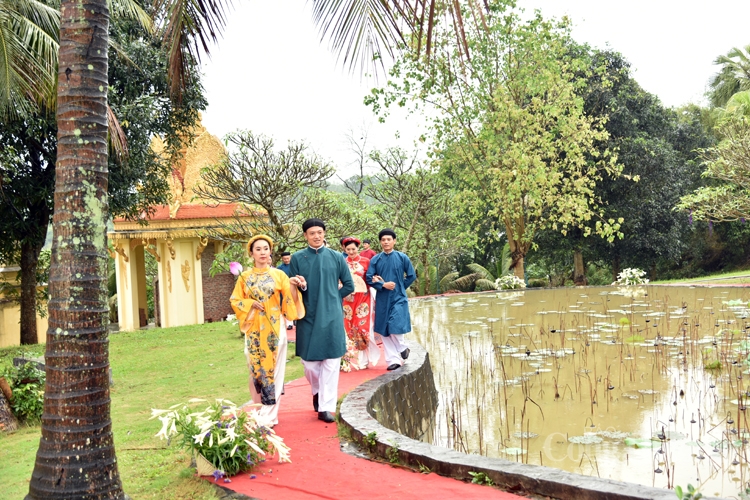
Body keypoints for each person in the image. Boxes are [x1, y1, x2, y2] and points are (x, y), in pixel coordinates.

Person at [230, 235, 305, 426]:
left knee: (274, 369)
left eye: (266, 248)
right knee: (254, 367)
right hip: (254, 329)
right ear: (251, 253)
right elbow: (235, 300)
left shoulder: (279, 275)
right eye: (258, 249)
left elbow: (289, 299)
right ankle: (259, 408)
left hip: (275, 327)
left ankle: (270, 414)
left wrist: (295, 286)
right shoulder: (245, 277)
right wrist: (250, 304)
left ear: (270, 251)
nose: (263, 252)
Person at [291, 218, 355, 423]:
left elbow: (349, 284)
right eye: (312, 233)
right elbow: (292, 287)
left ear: (324, 233)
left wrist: (334, 298)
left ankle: (325, 407)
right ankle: (317, 390)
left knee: (331, 361)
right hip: (308, 315)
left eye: (319, 232)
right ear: (305, 236)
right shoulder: (297, 258)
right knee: (309, 364)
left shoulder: (336, 257)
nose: (316, 236)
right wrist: (301, 286)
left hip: (332, 315)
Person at [366, 228, 416, 371]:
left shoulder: (402, 257)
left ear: (394, 241)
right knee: (384, 329)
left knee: (395, 324)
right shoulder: (376, 259)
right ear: (380, 242)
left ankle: (402, 347)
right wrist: (383, 285)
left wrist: (400, 286)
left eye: (389, 239)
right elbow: (369, 278)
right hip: (382, 298)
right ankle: (393, 360)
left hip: (399, 297)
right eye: (383, 240)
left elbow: (411, 275)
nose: (386, 242)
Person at [342, 237, 380, 369]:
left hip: (363, 297)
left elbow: (370, 277)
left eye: (353, 249)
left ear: (358, 248)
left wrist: (375, 279)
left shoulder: (365, 261)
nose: (351, 252)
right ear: (344, 249)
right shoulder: (342, 262)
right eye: (348, 249)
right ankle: (360, 358)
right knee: (351, 328)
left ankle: (365, 358)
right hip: (348, 299)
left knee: (362, 326)